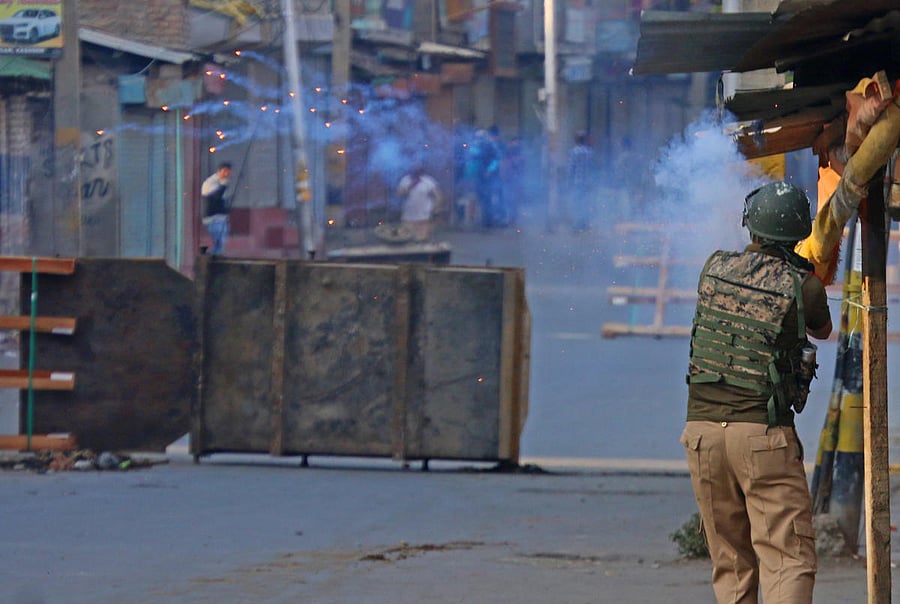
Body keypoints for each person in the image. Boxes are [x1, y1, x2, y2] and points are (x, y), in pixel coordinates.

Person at [681, 181, 833, 604]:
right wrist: (807, 271)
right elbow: (823, 329)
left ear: (751, 227)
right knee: (787, 558)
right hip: (762, 437)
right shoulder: (803, 286)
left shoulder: (712, 267)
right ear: (799, 232)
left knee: (730, 563)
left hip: (702, 436)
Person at [396, 165, 441, 242]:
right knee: (406, 237)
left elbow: (438, 196)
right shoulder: (406, 180)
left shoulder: (428, 181)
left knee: (422, 239)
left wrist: (435, 208)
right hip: (409, 215)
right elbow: (399, 194)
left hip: (424, 216)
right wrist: (411, 185)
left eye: (418, 171)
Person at [201, 162, 232, 255]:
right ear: (219, 171)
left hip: (221, 217)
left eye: (229, 172)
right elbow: (216, 197)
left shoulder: (222, 182)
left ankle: (217, 255)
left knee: (221, 242)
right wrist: (223, 185)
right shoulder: (210, 182)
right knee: (219, 241)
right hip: (213, 218)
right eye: (225, 171)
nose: (227, 174)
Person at [566, 131, 596, 231]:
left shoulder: (574, 151)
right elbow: (593, 167)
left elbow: (571, 168)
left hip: (577, 181)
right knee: (585, 202)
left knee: (577, 203)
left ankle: (577, 224)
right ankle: (585, 223)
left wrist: (568, 181)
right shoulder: (590, 152)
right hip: (588, 181)